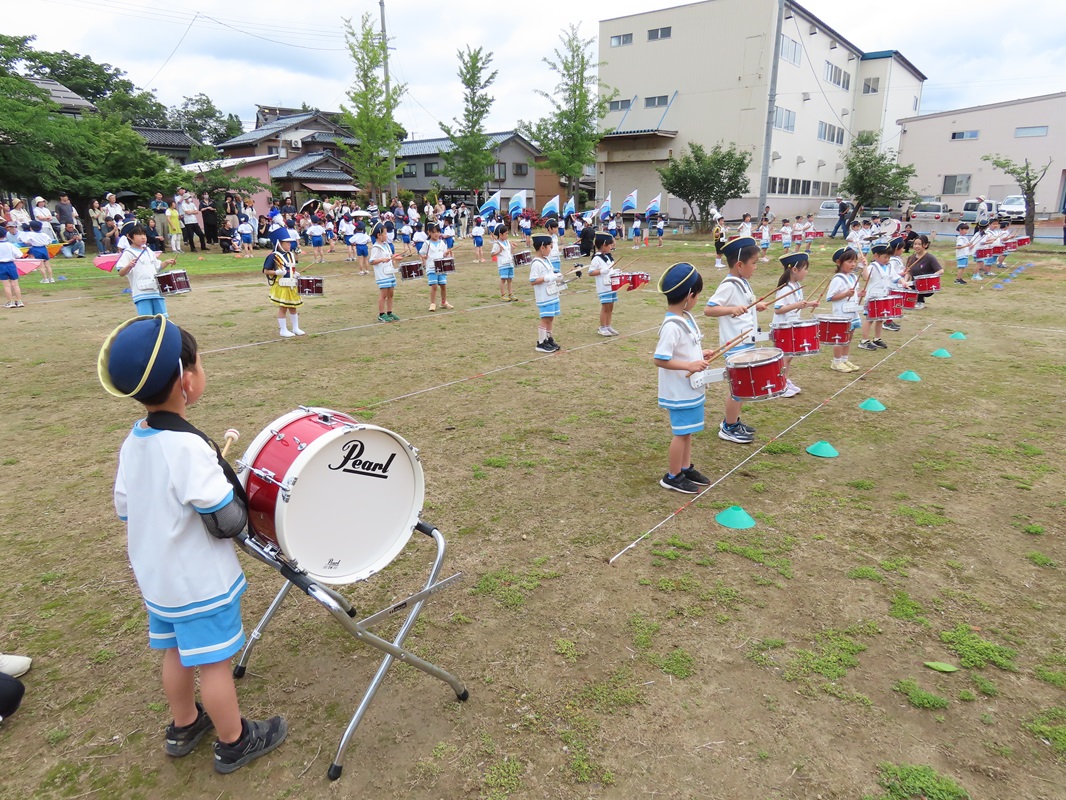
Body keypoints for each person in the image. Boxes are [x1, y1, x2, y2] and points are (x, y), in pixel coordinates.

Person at [99, 315, 288, 773]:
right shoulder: (187, 447)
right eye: (200, 365)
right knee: (215, 664)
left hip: (158, 580)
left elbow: (125, 506)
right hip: (199, 582)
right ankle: (234, 740)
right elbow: (226, 518)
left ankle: (184, 724)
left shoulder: (136, 439)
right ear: (186, 381)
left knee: (175, 651)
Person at [653, 262, 713, 494]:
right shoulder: (672, 325)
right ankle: (672, 475)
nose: (697, 298)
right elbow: (660, 358)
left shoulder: (685, 317)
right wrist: (689, 364)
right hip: (678, 390)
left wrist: (700, 354)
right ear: (690, 295)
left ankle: (685, 468)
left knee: (688, 431)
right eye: (697, 294)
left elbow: (685, 348)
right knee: (680, 433)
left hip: (691, 386)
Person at [704, 236, 767, 444]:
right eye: (754, 263)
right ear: (740, 265)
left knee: (744, 387)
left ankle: (733, 421)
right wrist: (731, 309)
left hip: (747, 341)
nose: (756, 267)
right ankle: (728, 427)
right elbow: (709, 309)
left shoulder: (743, 283)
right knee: (738, 389)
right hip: (734, 345)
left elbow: (744, 304)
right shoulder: (730, 284)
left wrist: (754, 305)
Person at [773, 252, 819, 396]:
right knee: (784, 357)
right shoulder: (785, 288)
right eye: (804, 268)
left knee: (789, 356)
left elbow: (798, 304)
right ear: (794, 270)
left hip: (792, 326)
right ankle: (781, 385)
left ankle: (785, 379)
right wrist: (797, 305)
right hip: (783, 327)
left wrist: (810, 303)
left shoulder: (796, 285)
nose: (806, 272)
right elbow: (778, 309)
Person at [117, 225, 178, 316]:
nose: (143, 237)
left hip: (156, 290)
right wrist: (129, 265)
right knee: (147, 320)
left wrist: (166, 262)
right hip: (141, 293)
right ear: (129, 236)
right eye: (138, 234)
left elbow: (157, 266)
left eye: (144, 234)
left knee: (162, 318)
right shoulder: (128, 253)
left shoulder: (148, 250)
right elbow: (121, 272)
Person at [826, 247, 862, 373]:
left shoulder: (853, 277)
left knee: (848, 338)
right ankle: (836, 362)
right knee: (840, 338)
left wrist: (860, 293)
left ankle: (844, 359)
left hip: (852, 312)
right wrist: (845, 294)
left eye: (854, 261)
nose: (853, 264)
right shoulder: (837, 279)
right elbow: (830, 297)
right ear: (839, 262)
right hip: (841, 314)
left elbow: (855, 292)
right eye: (849, 261)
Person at [263, 236, 305, 337]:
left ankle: (296, 328)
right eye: (287, 243)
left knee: (293, 307)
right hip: (281, 285)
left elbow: (291, 268)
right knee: (283, 307)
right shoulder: (273, 256)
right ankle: (283, 329)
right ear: (280, 244)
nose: (290, 244)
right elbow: (266, 270)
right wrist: (277, 272)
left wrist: (294, 273)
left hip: (291, 284)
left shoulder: (290, 254)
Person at [530, 234, 563, 352]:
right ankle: (541, 342)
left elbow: (551, 273)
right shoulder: (536, 263)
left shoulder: (547, 260)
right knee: (545, 318)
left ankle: (548, 338)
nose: (552, 249)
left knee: (550, 318)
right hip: (544, 296)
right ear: (542, 247)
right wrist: (546, 278)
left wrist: (556, 276)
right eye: (550, 246)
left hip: (552, 294)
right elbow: (533, 281)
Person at [857, 243, 892, 351]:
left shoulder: (888, 267)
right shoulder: (872, 266)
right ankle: (864, 340)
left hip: (883, 296)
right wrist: (865, 266)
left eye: (888, 257)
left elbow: (895, 276)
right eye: (885, 257)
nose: (887, 259)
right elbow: (866, 277)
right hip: (872, 297)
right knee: (870, 319)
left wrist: (903, 281)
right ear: (876, 256)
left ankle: (877, 338)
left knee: (880, 319)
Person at [370, 223, 403, 322]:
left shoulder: (387, 245)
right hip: (382, 275)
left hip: (390, 272)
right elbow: (371, 261)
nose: (387, 235)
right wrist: (382, 259)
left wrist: (395, 258)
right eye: (385, 233)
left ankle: (389, 312)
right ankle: (381, 314)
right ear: (379, 235)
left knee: (391, 294)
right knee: (383, 295)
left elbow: (390, 256)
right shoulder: (376, 247)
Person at [589, 232, 618, 336]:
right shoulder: (597, 258)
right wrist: (601, 271)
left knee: (611, 307)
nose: (611, 246)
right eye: (610, 245)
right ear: (604, 244)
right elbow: (591, 272)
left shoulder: (608, 256)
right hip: (603, 287)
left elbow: (610, 269)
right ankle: (602, 327)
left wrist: (615, 272)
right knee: (605, 307)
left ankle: (608, 325)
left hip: (611, 285)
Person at [422, 222, 454, 312]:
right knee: (434, 286)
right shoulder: (426, 243)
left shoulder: (442, 243)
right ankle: (432, 303)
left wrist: (446, 254)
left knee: (443, 285)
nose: (436, 234)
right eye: (434, 232)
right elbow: (421, 253)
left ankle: (444, 302)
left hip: (441, 267)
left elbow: (444, 255)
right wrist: (423, 257)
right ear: (429, 233)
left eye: (438, 232)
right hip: (431, 267)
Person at [906, 235, 943, 309]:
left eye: (919, 244)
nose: (916, 246)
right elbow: (908, 272)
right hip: (914, 284)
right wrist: (904, 282)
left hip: (925, 286)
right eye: (915, 244)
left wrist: (928, 279)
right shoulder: (911, 258)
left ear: (925, 245)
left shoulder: (930, 258)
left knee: (919, 284)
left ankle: (920, 300)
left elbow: (940, 271)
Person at [0, 226, 26, 308]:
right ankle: (19, 301)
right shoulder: (9, 245)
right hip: (11, 265)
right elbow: (19, 255)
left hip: (1, 266)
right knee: (15, 284)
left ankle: (10, 301)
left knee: (6, 285)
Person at [491, 224, 515, 301]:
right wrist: (499, 251)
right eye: (506, 234)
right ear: (500, 234)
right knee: (503, 279)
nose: (507, 235)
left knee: (510, 279)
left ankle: (510, 293)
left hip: (509, 262)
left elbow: (510, 252)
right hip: (503, 264)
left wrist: (513, 248)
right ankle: (503, 294)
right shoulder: (496, 244)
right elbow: (492, 254)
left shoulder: (507, 242)